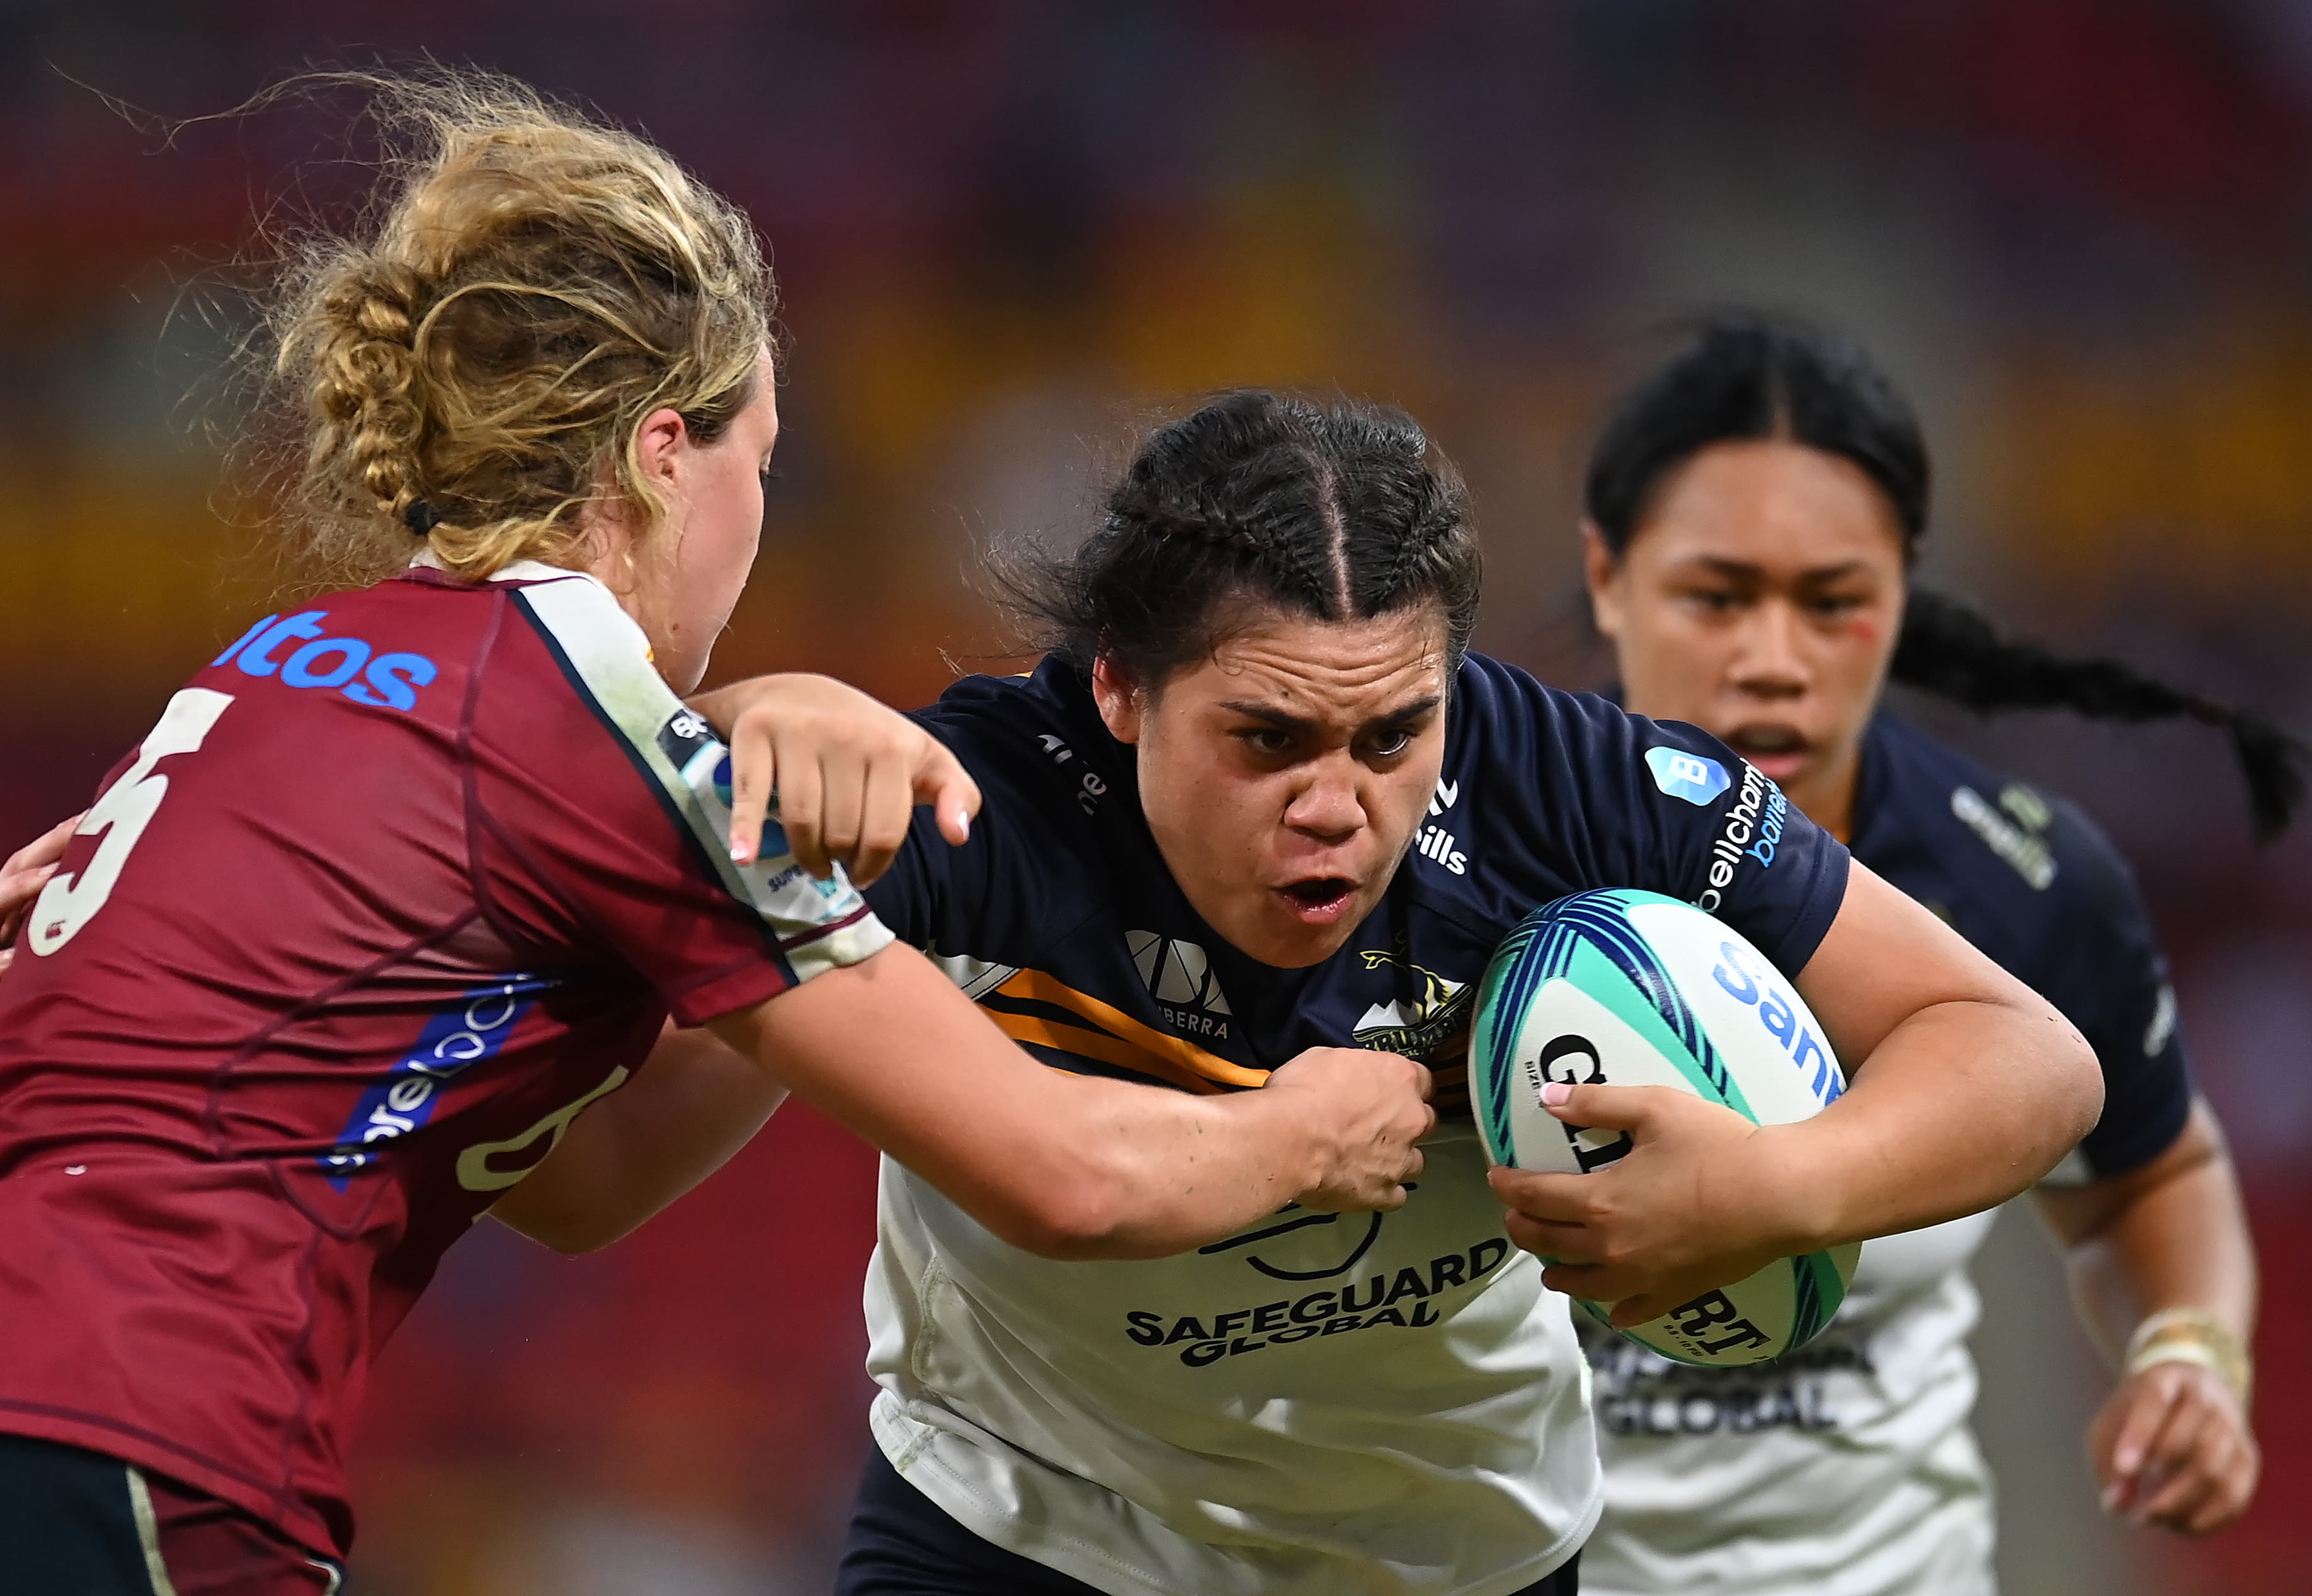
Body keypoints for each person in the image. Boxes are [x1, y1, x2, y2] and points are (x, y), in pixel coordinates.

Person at [0, 79, 1438, 1595]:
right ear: (661, 452)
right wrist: (1309, 1131)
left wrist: (834, 880)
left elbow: (571, 1179)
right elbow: (1064, 1175)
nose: (766, 508)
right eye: (764, 453)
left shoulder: (281, 664)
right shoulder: (596, 733)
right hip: (139, 1440)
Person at [529, 387, 2105, 1595]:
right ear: (1119, 689)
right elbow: (591, 1178)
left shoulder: (1569, 785)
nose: (1339, 803)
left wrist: (1780, 1181)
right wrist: (723, 750)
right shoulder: (977, 800)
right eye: (1267, 740)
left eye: (1393, 735)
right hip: (1023, 1519)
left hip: (1451, 1551)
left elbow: (2025, 1056)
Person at [1571, 315, 2292, 1595]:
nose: (1773, 660)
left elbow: (2145, 1171)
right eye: (1714, 595)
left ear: (1903, 594)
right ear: (1605, 577)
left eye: (1834, 602)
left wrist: (2187, 1349)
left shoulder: (2021, 882)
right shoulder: (1459, 858)